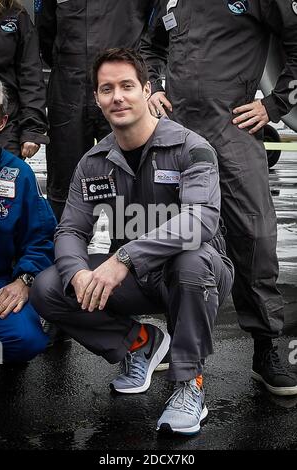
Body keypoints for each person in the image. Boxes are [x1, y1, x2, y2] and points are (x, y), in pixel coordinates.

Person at [31, 48, 234, 435]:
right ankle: (139, 343)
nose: (117, 97)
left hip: (196, 277)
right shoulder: (94, 161)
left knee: (191, 261)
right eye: (107, 89)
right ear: (96, 98)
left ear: (146, 90)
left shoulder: (191, 147)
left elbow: (201, 220)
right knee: (49, 287)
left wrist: (123, 256)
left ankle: (189, 383)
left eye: (127, 86)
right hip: (137, 279)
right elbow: (71, 230)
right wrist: (77, 273)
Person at [141, 0, 297, 396]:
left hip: (234, 133)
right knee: (175, 240)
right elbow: (149, 48)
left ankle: (265, 350)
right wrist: (154, 87)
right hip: (177, 137)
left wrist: (274, 104)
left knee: (255, 240)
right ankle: (181, 349)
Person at [37, 0, 158, 221]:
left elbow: (155, 30)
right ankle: (68, 248)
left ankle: (130, 250)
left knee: (129, 179)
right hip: (68, 87)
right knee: (65, 181)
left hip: (122, 86)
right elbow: (45, 31)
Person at [0, 80, 56, 363]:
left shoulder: (17, 174)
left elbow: (42, 238)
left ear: (1, 121)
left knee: (25, 341)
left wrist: (25, 280)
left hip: (0, 282)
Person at [0, 0, 48, 159]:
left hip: (5, 126)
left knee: (5, 181)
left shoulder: (16, 16)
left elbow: (31, 76)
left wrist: (32, 129)